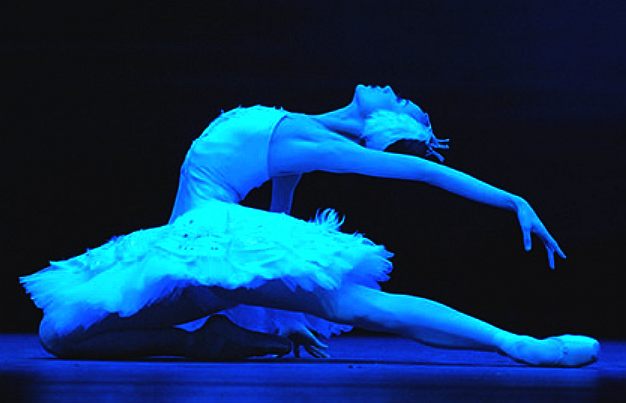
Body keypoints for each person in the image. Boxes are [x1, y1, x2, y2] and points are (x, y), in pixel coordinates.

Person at [21, 84, 600, 366]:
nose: (391, 87)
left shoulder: (313, 142)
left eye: (397, 101)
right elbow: (277, 214)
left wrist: (513, 199)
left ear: (382, 121)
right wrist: (278, 293)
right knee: (58, 332)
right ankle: (222, 339)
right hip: (199, 245)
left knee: (58, 333)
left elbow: (420, 174)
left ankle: (524, 345)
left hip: (198, 244)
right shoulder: (300, 128)